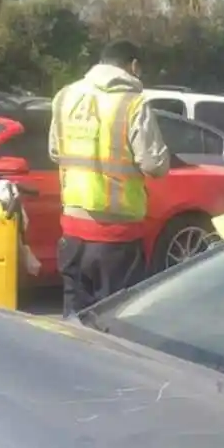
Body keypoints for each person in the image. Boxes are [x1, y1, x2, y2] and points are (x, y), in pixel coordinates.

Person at [47, 39, 172, 314]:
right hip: (118, 237)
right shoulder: (132, 104)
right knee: (112, 325)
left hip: (72, 232)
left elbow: (56, 152)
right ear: (134, 66)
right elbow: (155, 165)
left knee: (74, 322)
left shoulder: (65, 97)